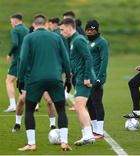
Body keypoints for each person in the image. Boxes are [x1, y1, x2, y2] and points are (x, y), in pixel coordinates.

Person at [17, 14, 72, 151]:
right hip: (55, 78)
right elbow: (66, 59)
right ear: (46, 24)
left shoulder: (29, 37)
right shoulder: (57, 37)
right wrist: (69, 79)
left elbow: (23, 60)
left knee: (29, 110)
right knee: (61, 109)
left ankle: (31, 144)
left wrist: (20, 79)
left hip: (36, 79)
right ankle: (64, 142)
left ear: (34, 25)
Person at [59, 18, 96, 146]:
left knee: (79, 105)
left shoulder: (78, 40)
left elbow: (88, 58)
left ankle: (89, 135)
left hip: (84, 78)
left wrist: (86, 77)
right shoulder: (72, 40)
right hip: (79, 76)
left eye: (62, 29)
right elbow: (76, 59)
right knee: (79, 105)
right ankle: (86, 135)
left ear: (70, 27)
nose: (61, 32)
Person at [85, 20, 109, 139]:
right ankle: (94, 129)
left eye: (92, 30)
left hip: (97, 78)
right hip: (88, 77)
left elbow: (104, 61)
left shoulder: (102, 42)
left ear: (97, 30)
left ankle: (100, 131)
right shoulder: (88, 42)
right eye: (88, 30)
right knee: (89, 103)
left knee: (97, 102)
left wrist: (100, 78)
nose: (90, 32)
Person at [4, 13, 29, 112]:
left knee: (9, 80)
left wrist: (9, 54)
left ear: (15, 20)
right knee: (24, 81)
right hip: (27, 58)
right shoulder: (27, 29)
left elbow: (15, 43)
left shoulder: (15, 30)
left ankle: (13, 105)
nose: (10, 23)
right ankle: (34, 104)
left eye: (11, 21)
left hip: (18, 59)